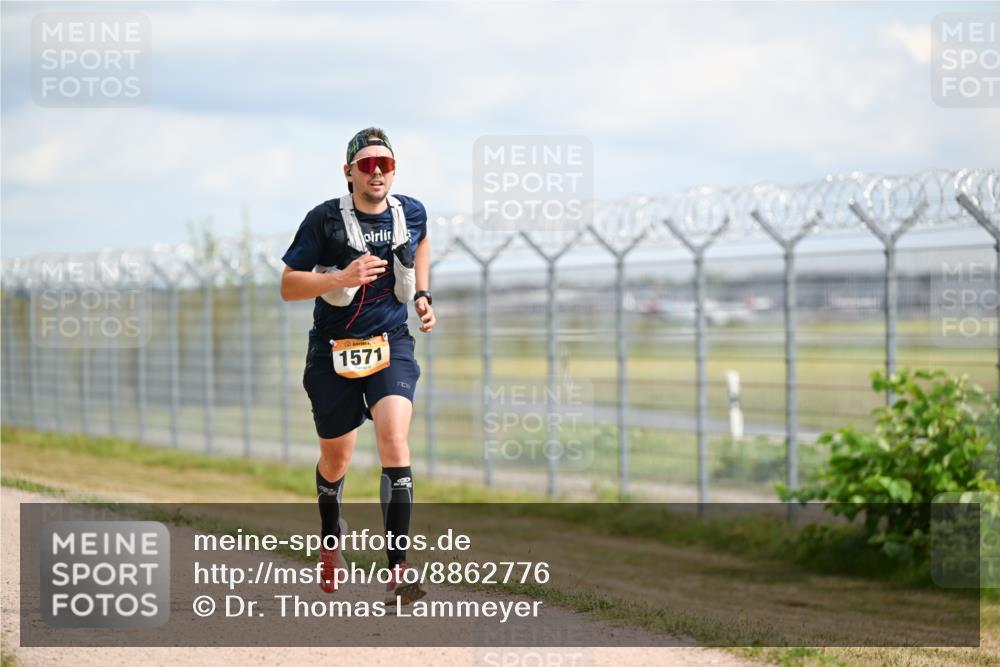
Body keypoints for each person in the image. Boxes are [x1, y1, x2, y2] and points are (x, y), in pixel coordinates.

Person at [279, 127, 435, 605]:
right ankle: (331, 541)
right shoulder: (323, 220)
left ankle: (399, 568)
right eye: (366, 165)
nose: (376, 172)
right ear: (349, 172)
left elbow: (422, 241)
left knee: (394, 438)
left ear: (394, 170)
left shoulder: (411, 211)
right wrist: (343, 276)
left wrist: (423, 294)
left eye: (384, 164)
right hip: (332, 351)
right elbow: (288, 285)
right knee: (337, 458)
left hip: (391, 344)